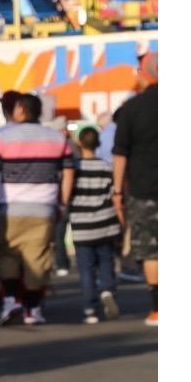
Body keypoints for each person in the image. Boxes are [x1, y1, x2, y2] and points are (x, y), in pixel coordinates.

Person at [0, 90, 68, 327]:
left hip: (9, 206)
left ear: (20, 109)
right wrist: (62, 201)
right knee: (37, 257)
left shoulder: (2, 138)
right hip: (44, 206)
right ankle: (33, 308)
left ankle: (11, 301)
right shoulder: (57, 139)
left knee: (7, 255)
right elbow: (68, 170)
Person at [112, 53, 159, 324]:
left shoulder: (132, 109)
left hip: (144, 191)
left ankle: (158, 307)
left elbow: (120, 155)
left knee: (152, 251)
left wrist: (117, 192)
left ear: (144, 73)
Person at [61, 126, 122, 322]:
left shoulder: (74, 169)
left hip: (82, 225)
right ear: (98, 144)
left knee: (86, 268)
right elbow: (114, 195)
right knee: (106, 260)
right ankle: (107, 289)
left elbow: (67, 194)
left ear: (80, 143)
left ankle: (90, 309)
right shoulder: (106, 167)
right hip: (105, 222)